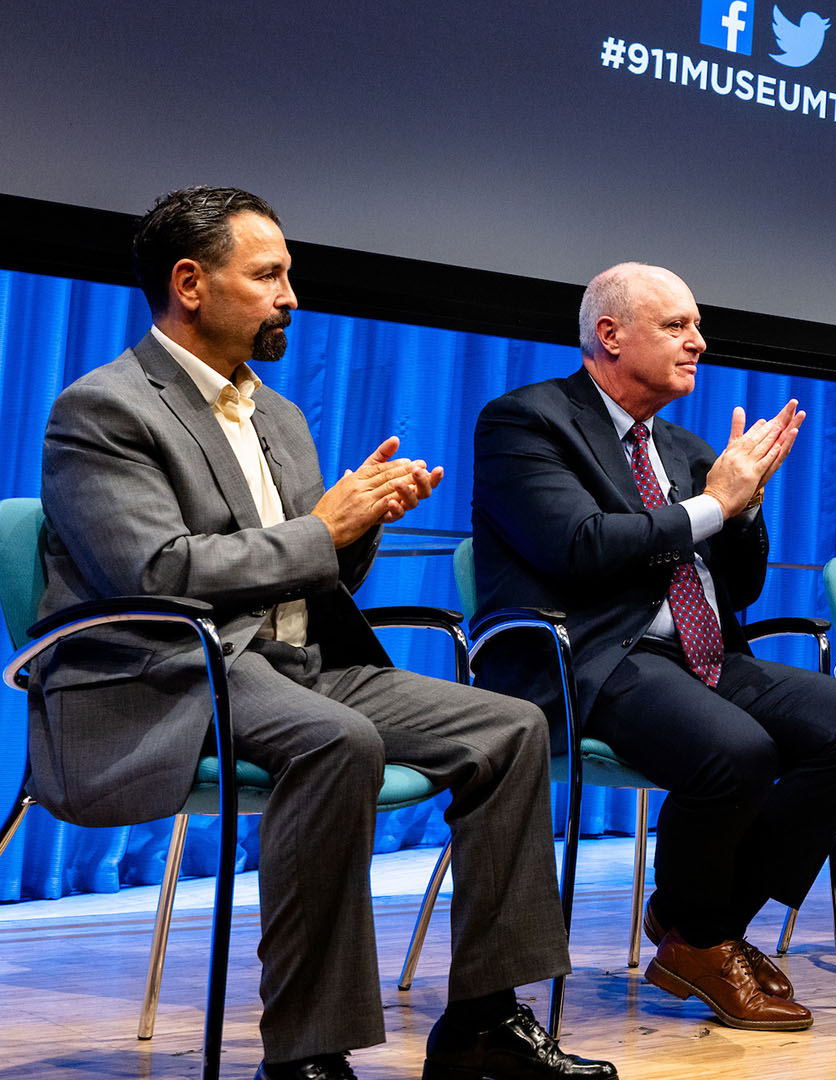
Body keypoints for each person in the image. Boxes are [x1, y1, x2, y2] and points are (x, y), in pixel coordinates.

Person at [31, 187, 614, 1080]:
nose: (290, 296)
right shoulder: (104, 410)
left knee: (511, 726)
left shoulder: (278, 415)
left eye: (288, 276)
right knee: (337, 743)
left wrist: (362, 522)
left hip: (298, 662)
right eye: (267, 275)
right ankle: (306, 1054)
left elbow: (310, 570)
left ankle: (484, 1024)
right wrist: (323, 527)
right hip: (175, 669)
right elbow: (154, 574)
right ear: (190, 283)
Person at [470, 262, 836, 1032]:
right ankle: (705, 938)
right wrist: (713, 502)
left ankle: (697, 926)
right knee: (737, 751)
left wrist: (745, 508)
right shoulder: (526, 422)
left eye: (697, 327)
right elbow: (579, 546)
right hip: (592, 656)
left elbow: (744, 586)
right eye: (677, 326)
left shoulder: (688, 445)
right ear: (608, 334)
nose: (699, 342)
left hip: (701, 654)